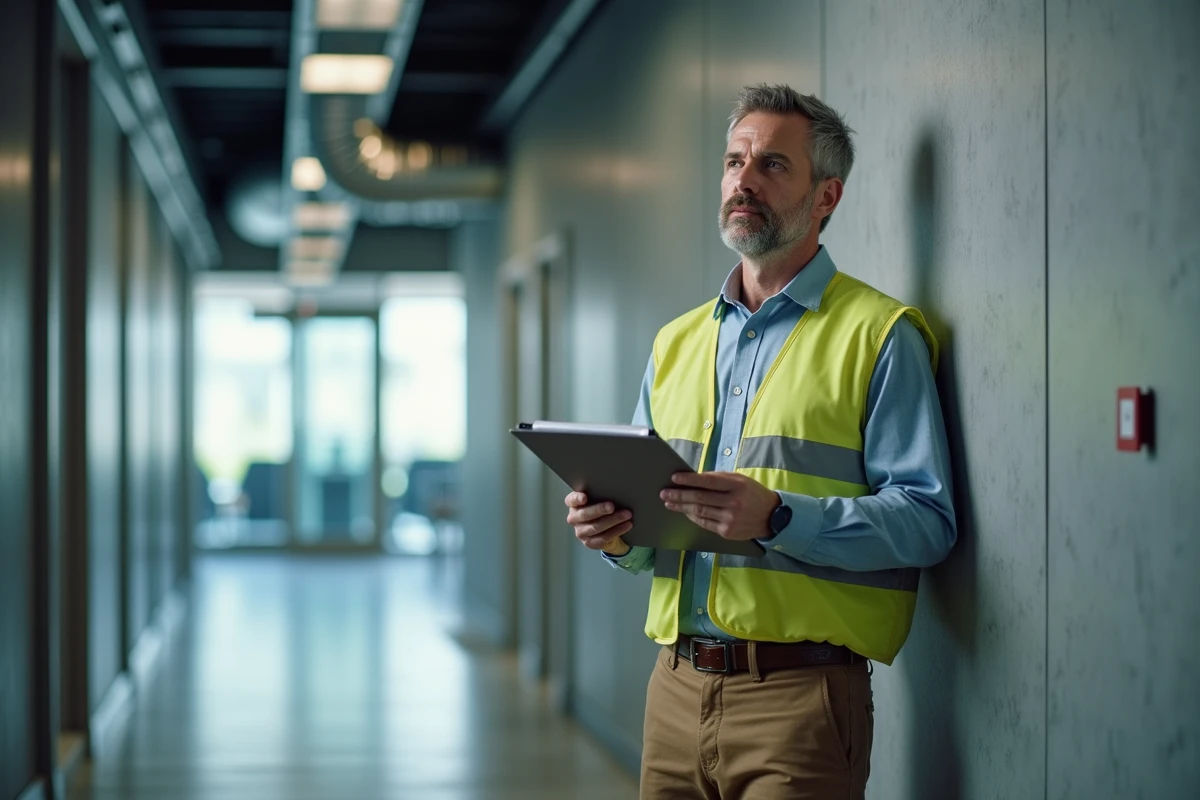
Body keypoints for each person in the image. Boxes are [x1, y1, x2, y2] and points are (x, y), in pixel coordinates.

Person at [564, 84, 957, 799]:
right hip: (673, 690)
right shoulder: (676, 342)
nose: (743, 179)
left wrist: (778, 517)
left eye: (772, 164)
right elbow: (654, 541)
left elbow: (927, 522)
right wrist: (617, 535)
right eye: (733, 161)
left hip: (800, 702)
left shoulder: (879, 336)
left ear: (826, 196)